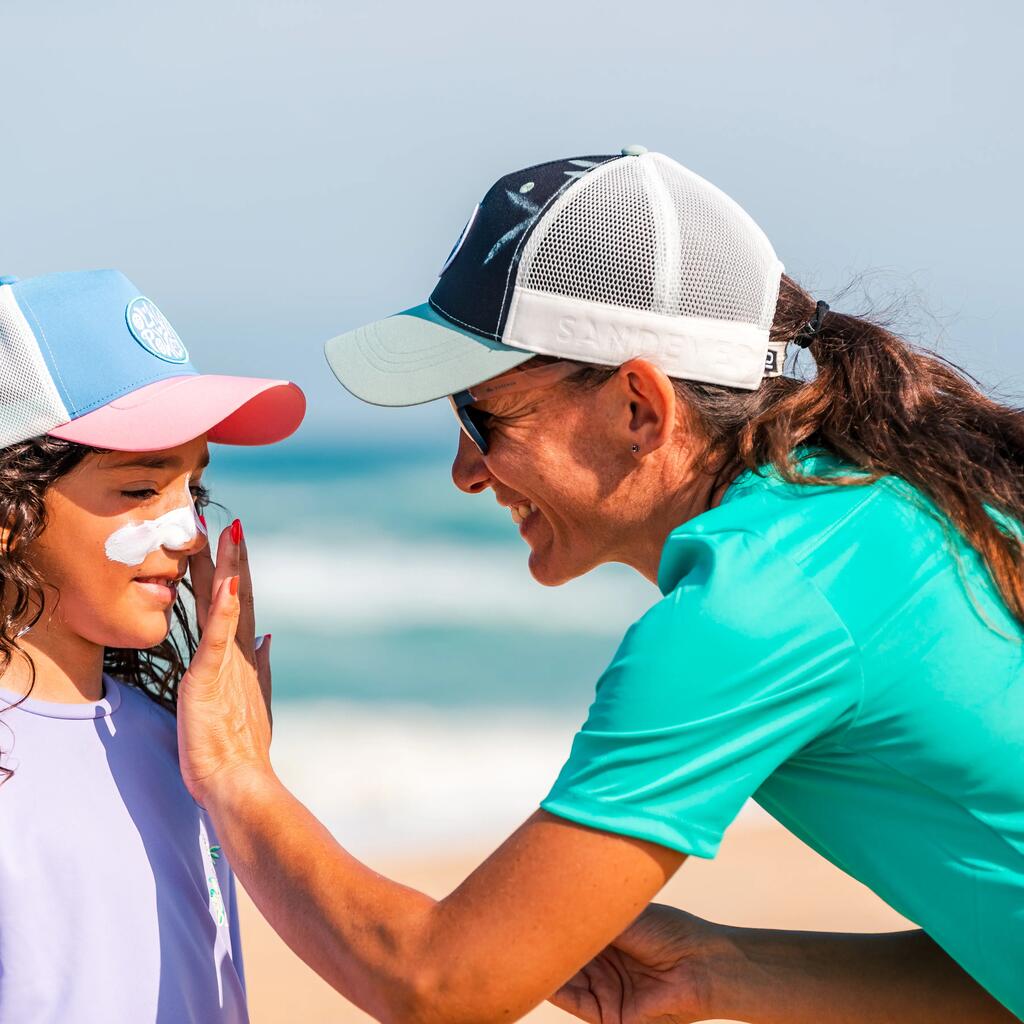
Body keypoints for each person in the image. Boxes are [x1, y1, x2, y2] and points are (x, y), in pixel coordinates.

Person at [176, 150, 1022, 1022]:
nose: (466, 470)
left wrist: (236, 775)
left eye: (482, 416)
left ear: (640, 408)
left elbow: (440, 985)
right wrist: (721, 969)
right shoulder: (891, 503)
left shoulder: (756, 604)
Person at [0, 270, 305, 1022]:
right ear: (9, 514)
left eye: (193, 491)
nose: (189, 532)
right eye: (141, 489)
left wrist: (243, 778)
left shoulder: (188, 747)